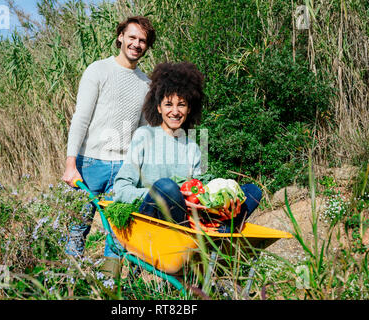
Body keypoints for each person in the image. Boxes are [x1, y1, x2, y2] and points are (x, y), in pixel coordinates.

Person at [108, 62, 263, 277]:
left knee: (252, 192)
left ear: (189, 108)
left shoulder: (193, 147)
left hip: (189, 219)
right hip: (153, 221)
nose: (175, 111)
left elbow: (200, 191)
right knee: (166, 187)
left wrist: (219, 200)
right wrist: (162, 194)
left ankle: (219, 241)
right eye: (168, 104)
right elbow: (121, 188)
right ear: (159, 107)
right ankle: (199, 247)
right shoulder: (144, 137)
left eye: (181, 105)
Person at [62, 16, 156, 258]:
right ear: (120, 37)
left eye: (142, 40)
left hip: (125, 169)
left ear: (147, 46)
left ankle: (108, 288)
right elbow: (80, 118)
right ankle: (71, 288)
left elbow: (144, 133)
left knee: (118, 236)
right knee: (77, 229)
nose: (136, 44)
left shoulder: (147, 85)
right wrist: (70, 164)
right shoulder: (98, 70)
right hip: (90, 164)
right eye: (132, 37)